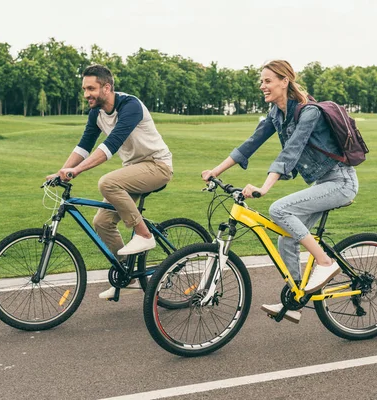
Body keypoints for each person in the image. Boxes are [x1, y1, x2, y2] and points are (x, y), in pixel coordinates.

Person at [201, 60, 358, 323]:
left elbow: (291, 151)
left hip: (341, 182)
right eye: (261, 81)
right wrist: (216, 171)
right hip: (323, 184)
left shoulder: (309, 112)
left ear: (284, 81)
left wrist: (264, 187)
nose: (262, 86)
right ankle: (296, 299)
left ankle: (325, 262)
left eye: (267, 80)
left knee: (279, 209)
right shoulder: (276, 113)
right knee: (286, 238)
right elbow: (251, 144)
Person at [46, 64, 173, 300]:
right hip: (134, 169)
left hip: (157, 165)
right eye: (84, 89)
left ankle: (144, 235)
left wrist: (77, 171)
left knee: (107, 182)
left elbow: (110, 146)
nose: (86, 94)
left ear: (107, 87)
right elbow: (84, 146)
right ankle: (129, 275)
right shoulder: (96, 113)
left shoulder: (130, 106)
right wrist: (61, 171)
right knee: (102, 222)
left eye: (91, 88)